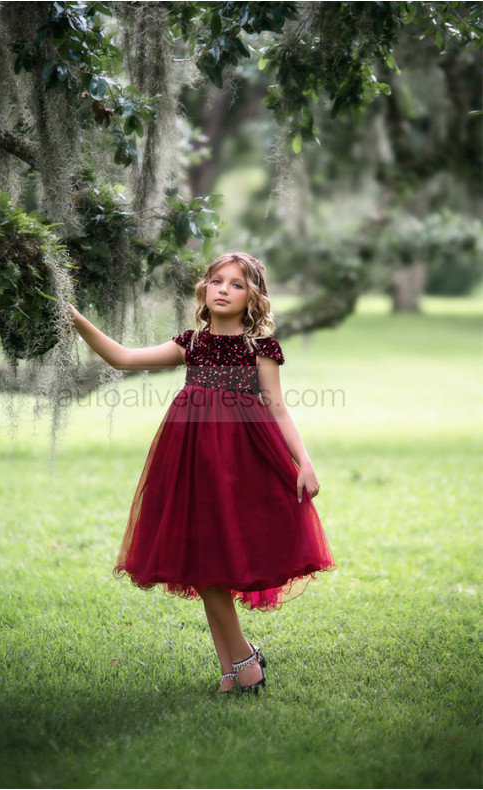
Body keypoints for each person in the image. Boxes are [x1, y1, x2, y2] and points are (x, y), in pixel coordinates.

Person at [69, 251, 336, 695]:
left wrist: (303, 461)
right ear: (204, 290)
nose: (224, 290)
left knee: (215, 556)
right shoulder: (191, 343)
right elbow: (122, 357)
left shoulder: (258, 346)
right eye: (217, 281)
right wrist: (75, 319)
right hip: (190, 457)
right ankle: (235, 663)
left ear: (253, 296)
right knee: (200, 553)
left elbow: (276, 405)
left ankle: (244, 661)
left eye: (236, 284)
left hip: (241, 458)